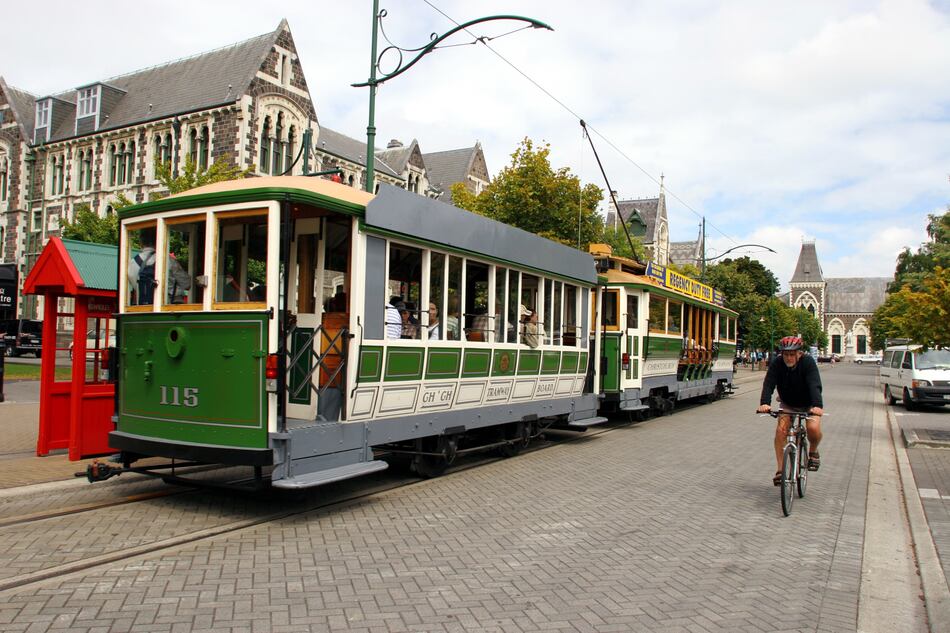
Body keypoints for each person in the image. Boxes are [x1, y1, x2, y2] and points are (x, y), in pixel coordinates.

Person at [757, 336, 824, 486]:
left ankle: (813, 451)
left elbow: (814, 384)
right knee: (781, 431)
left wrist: (817, 406)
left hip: (809, 404)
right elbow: (769, 384)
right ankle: (780, 471)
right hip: (788, 403)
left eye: (792, 354)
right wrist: (765, 403)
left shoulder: (808, 363)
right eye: (786, 354)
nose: (789, 358)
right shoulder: (777, 363)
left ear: (799, 353)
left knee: (813, 428)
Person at [128, 229, 157, 305]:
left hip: (141, 306)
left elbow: (134, 285)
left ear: (141, 242)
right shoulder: (167, 260)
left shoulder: (133, 262)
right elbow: (187, 283)